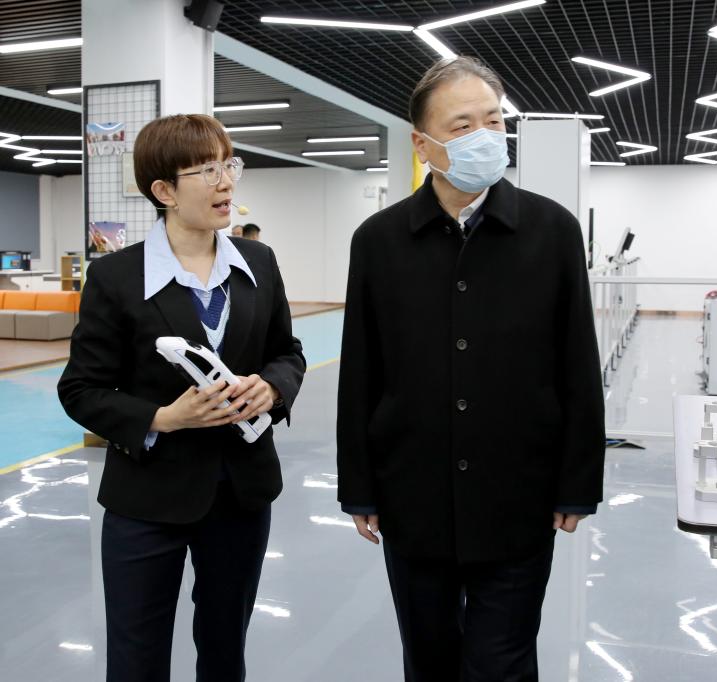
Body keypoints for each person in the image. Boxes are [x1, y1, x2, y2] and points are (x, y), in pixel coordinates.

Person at [337, 56, 605, 681]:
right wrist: (359, 486)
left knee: (501, 662)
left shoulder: (551, 231)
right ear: (421, 144)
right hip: (413, 493)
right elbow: (362, 371)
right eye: (461, 126)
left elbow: (576, 363)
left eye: (493, 120)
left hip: (519, 490)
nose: (484, 136)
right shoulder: (379, 241)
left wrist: (578, 481)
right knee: (428, 658)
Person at [58, 114, 305, 682]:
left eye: (229, 165)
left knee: (224, 648)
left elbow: (286, 351)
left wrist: (272, 387)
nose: (226, 182)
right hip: (146, 499)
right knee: (136, 655)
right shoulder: (116, 277)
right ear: (164, 191)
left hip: (241, 494)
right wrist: (163, 418)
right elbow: (80, 389)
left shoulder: (259, 263)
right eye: (207, 170)